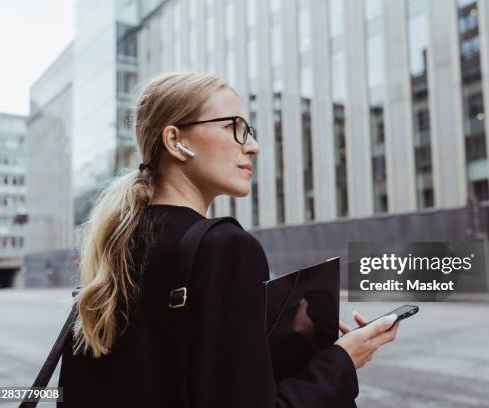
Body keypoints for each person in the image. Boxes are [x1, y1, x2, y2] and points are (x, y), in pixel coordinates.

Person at [57, 71, 401, 407]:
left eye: (248, 131)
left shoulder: (113, 243)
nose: (253, 146)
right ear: (176, 141)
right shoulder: (224, 248)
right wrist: (341, 360)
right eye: (233, 128)